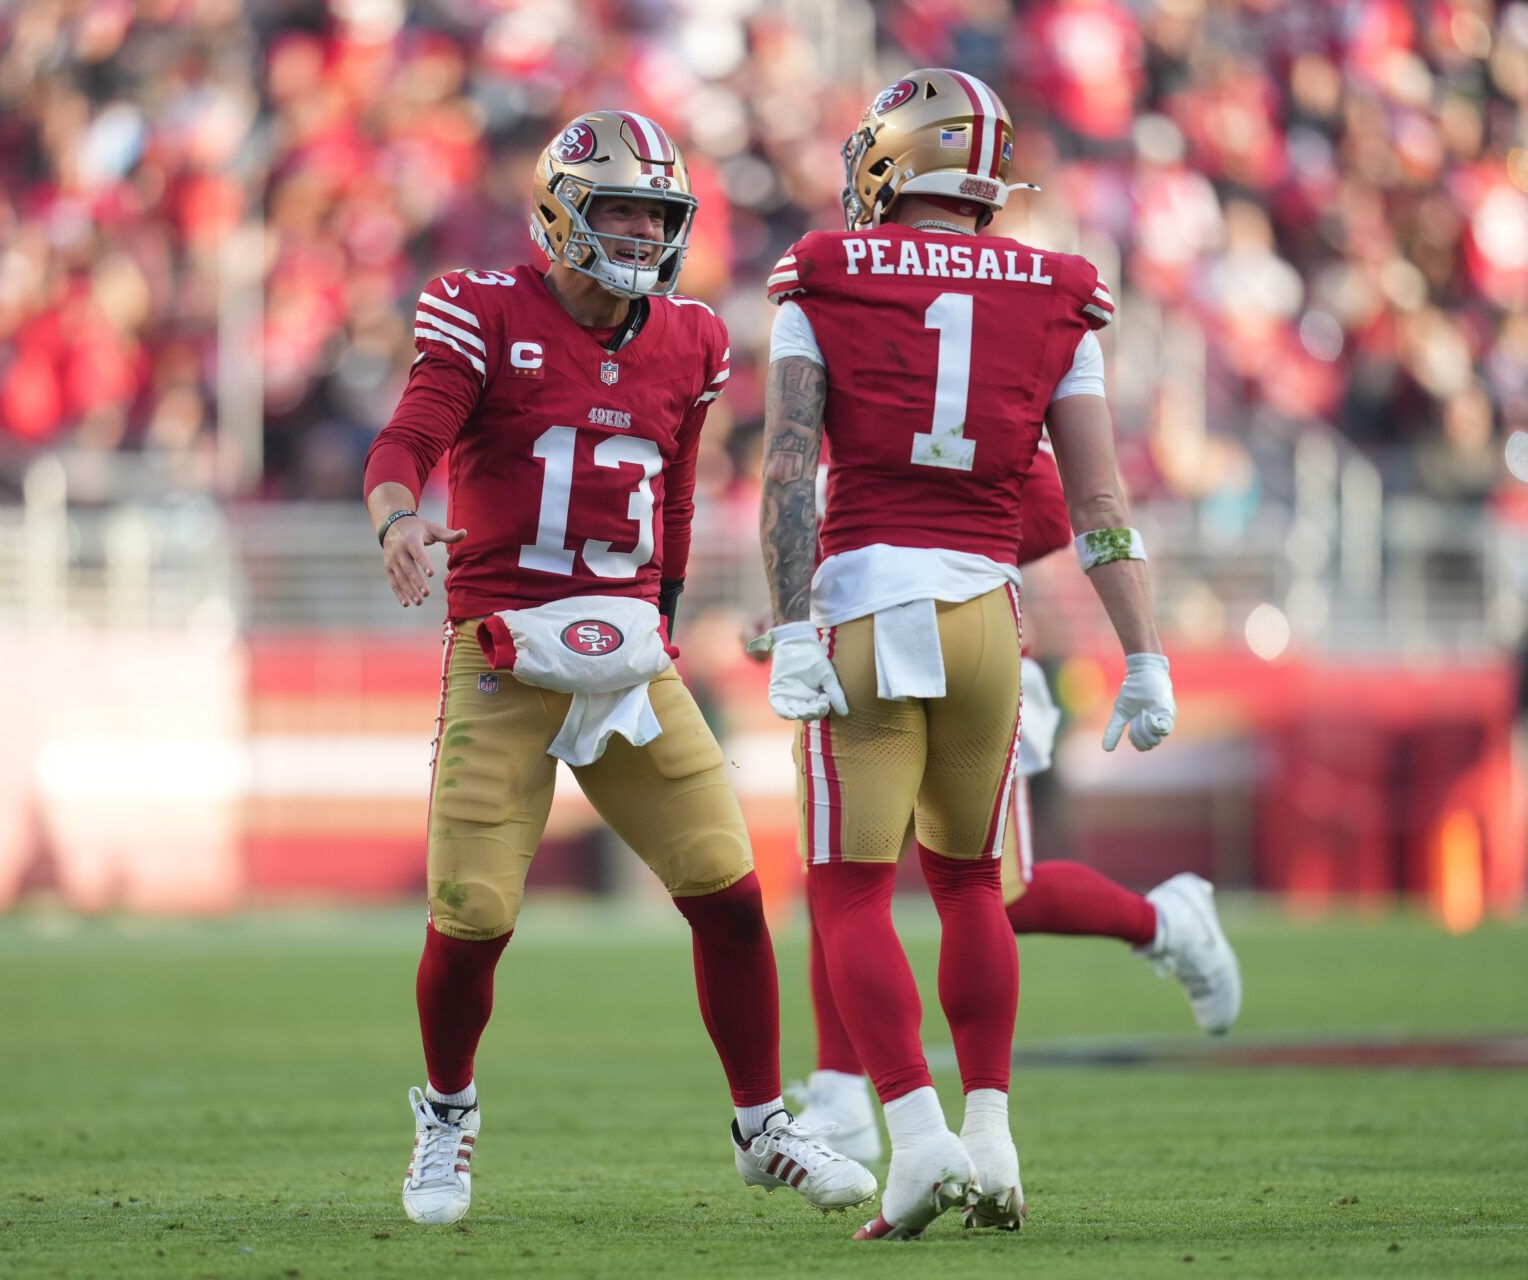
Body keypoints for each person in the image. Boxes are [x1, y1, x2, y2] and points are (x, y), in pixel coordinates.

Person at [362, 109, 874, 1228]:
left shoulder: (690, 338)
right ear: (560, 211)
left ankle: (760, 1124)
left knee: (730, 890)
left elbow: (679, 495)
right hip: (502, 648)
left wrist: (670, 612)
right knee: (472, 912)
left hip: (631, 651)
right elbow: (410, 435)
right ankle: (447, 1112)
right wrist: (400, 517)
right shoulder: (483, 309)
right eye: (621, 208)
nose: (643, 231)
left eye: (658, 211)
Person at [753, 69, 1178, 1240]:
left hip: (864, 602)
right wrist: (1144, 652)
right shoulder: (1058, 287)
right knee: (971, 884)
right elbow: (1096, 499)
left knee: (847, 892)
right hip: (991, 613)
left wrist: (790, 624)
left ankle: (921, 1139)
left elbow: (790, 467)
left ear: (894, 157)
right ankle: (993, 1137)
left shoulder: (824, 270)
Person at [789, 443, 1242, 1167]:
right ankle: (842, 1094)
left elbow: (1048, 506)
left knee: (998, 893)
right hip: (865, 640)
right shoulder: (856, 374)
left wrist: (936, 556)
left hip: (965, 647)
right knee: (840, 879)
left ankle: (1166, 922)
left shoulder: (953, 382)